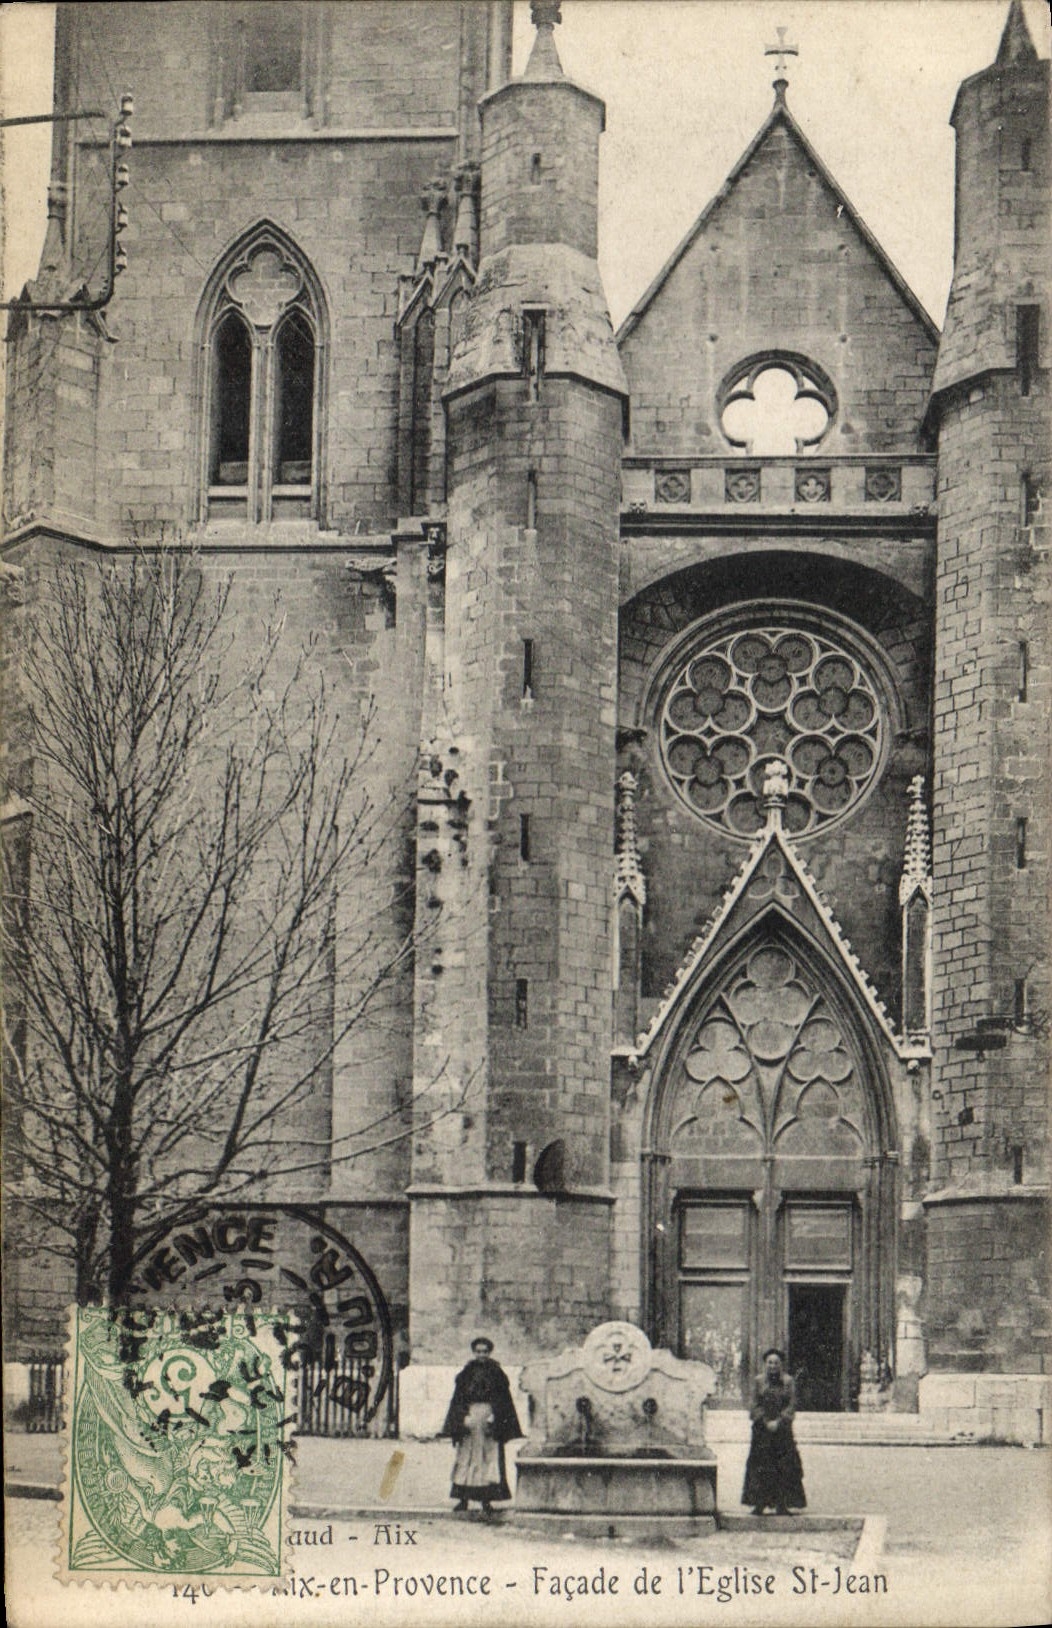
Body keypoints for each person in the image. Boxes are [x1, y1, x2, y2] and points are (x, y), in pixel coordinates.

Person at [440, 1336, 524, 1518]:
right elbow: (459, 1398)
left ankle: (486, 1501)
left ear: (489, 1352)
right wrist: (462, 1417)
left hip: (489, 1419)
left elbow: (503, 1398)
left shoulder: (497, 1373)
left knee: (488, 1457)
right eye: (478, 1352)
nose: (481, 1355)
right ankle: (463, 1499)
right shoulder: (466, 1373)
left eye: (485, 1352)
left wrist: (496, 1415)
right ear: (473, 1352)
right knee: (467, 1457)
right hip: (470, 1419)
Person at [741, 1347, 807, 1516]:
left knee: (783, 1467)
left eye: (776, 1363)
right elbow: (754, 1404)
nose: (773, 1366)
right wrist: (764, 1421)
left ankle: (782, 1504)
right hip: (762, 1432)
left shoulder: (789, 1382)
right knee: (761, 1466)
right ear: (765, 1364)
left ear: (781, 1365)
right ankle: (759, 1503)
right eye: (770, 1362)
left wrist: (780, 1421)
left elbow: (792, 1404)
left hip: (782, 1432)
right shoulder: (758, 1381)